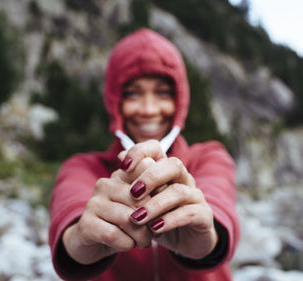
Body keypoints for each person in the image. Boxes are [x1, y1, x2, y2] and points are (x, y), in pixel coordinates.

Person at [49, 28, 240, 281]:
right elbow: (70, 214)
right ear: (114, 101)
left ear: (180, 100)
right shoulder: (82, 167)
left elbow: (219, 206)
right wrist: (81, 239)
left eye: (162, 92)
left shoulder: (209, 156)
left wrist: (204, 237)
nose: (149, 109)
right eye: (133, 93)